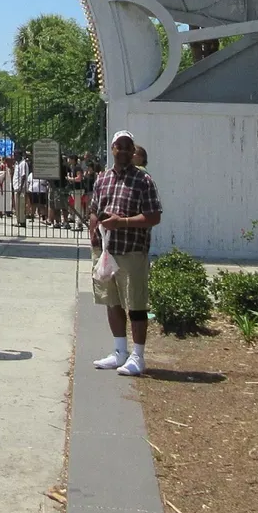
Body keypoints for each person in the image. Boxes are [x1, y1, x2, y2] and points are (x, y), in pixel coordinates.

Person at [88, 130, 163, 377]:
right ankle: (119, 351)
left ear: (133, 152)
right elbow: (95, 208)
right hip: (107, 250)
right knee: (112, 302)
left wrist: (123, 222)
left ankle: (138, 356)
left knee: (136, 305)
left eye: (127, 147)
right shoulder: (102, 179)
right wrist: (92, 227)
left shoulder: (144, 181)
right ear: (112, 150)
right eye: (118, 146)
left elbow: (153, 216)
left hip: (132, 251)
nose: (122, 150)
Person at [13, 149, 30, 228]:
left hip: (21, 188)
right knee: (17, 206)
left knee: (21, 205)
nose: (14, 156)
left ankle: (22, 221)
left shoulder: (23, 163)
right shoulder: (17, 164)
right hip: (16, 187)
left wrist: (20, 187)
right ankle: (18, 221)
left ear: (19, 155)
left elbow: (23, 176)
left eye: (15, 154)